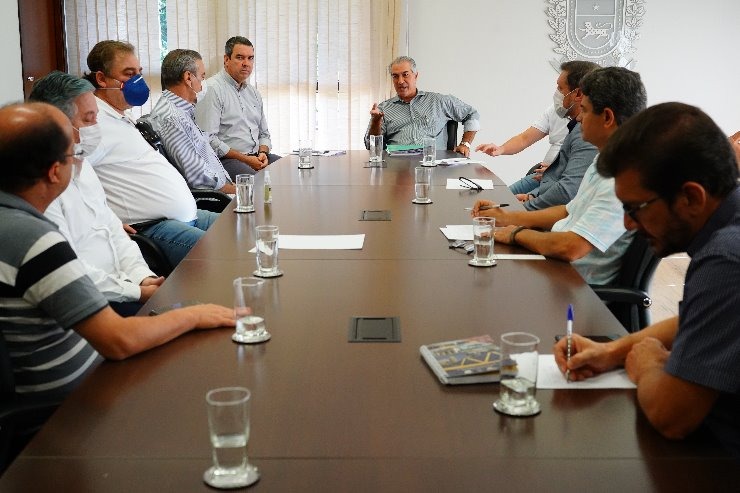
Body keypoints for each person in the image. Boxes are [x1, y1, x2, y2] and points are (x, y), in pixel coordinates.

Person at [0, 102, 235, 400]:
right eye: (74, 154)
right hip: (69, 410)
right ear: (54, 172)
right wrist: (194, 316)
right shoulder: (34, 240)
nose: (80, 161)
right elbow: (119, 340)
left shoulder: (13, 221)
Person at [553, 102, 740, 456]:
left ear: (691, 197)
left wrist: (648, 363)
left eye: (635, 208)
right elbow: (701, 319)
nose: (627, 224)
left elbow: (671, 416)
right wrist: (612, 351)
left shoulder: (725, 259)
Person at [473, 67, 647, 286]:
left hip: (574, 287)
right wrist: (507, 216)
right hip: (557, 269)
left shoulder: (623, 177)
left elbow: (571, 247)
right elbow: (569, 209)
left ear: (607, 117)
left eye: (584, 110)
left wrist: (515, 233)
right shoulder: (606, 159)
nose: (580, 118)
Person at [28, 71, 163, 317]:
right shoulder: (41, 190)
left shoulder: (84, 166)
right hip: (92, 303)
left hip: (125, 287)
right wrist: (137, 293)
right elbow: (70, 271)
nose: (95, 128)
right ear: (57, 125)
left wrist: (142, 277)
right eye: (88, 119)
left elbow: (114, 230)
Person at [84, 40, 219, 267]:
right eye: (129, 74)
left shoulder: (121, 116)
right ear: (101, 78)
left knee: (245, 227)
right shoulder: (93, 124)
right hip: (153, 226)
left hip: (188, 215)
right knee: (227, 254)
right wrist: (106, 220)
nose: (138, 80)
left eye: (140, 72)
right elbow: (75, 181)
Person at [505, 61, 599, 210]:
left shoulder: (585, 133)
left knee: (497, 208)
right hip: (543, 182)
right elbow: (525, 138)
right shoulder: (574, 126)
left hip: (549, 194)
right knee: (499, 201)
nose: (580, 118)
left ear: (579, 94)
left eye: (560, 88)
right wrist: (532, 197)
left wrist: (527, 206)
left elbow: (567, 190)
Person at [149, 49, 235, 194]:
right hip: (215, 197)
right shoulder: (170, 117)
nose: (203, 83)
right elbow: (197, 176)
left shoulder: (182, 110)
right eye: (202, 77)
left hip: (222, 188)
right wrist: (237, 191)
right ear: (189, 78)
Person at [195, 36, 280, 177]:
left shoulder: (253, 93)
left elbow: (264, 134)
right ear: (226, 59)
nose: (246, 63)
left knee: (290, 170)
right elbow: (208, 140)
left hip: (256, 156)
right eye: (240, 58)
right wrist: (247, 159)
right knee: (257, 181)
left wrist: (263, 152)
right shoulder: (211, 89)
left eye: (250, 58)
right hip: (227, 160)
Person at [364, 56, 479, 157]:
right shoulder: (384, 108)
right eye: (395, 76)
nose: (400, 81)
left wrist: (465, 144)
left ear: (416, 75)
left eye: (405, 75)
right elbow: (371, 146)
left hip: (434, 165)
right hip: (398, 168)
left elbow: (471, 114)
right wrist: (376, 121)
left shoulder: (439, 101)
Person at [476, 103, 569, 194]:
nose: (557, 92)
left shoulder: (582, 121)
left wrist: (555, 172)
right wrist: (501, 149)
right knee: (502, 197)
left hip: (563, 180)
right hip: (541, 175)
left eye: (561, 88)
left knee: (519, 206)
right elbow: (524, 139)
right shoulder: (555, 109)